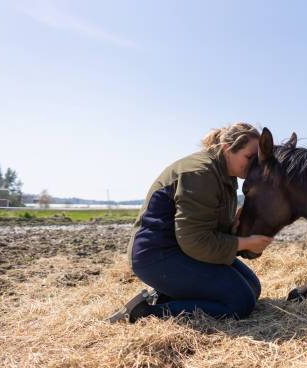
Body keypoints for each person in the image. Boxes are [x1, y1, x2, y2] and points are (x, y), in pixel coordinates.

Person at [106, 123, 273, 323]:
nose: (255, 165)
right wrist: (243, 243)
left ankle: (167, 295)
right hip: (157, 256)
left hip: (182, 250)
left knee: (252, 287)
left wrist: (234, 230)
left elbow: (205, 229)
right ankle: (143, 313)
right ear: (227, 149)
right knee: (239, 303)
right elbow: (195, 241)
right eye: (249, 157)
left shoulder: (224, 175)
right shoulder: (199, 173)